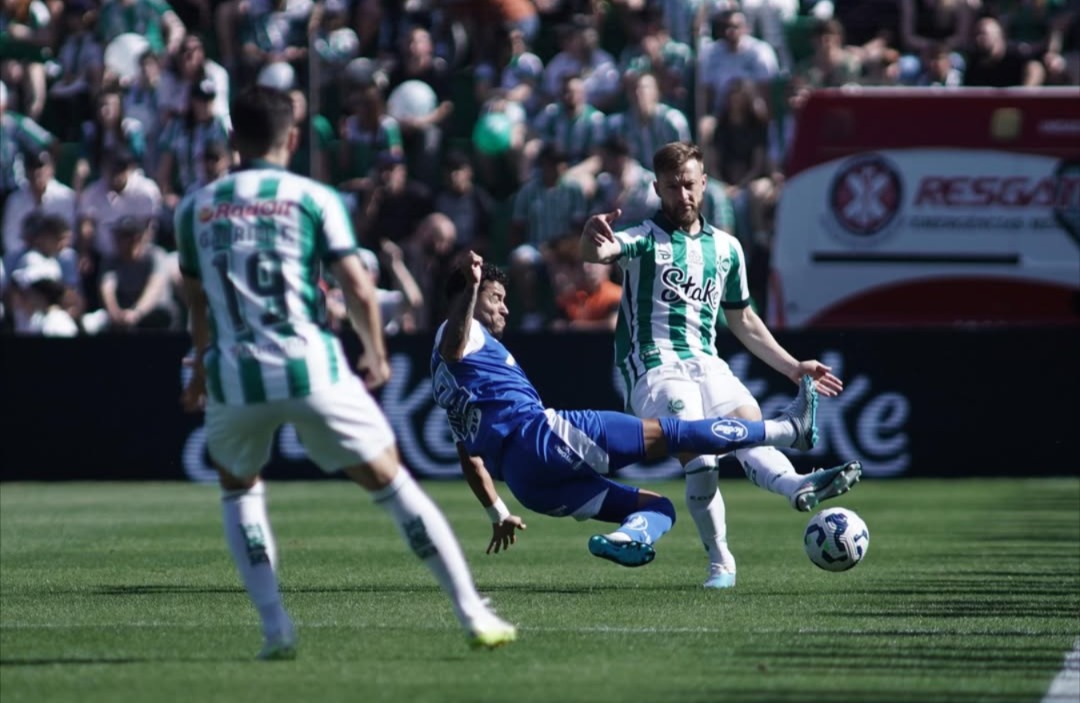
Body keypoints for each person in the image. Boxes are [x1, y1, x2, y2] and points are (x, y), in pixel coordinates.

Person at [175, 86, 516, 659]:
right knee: (393, 484)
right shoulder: (313, 198)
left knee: (240, 492)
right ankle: (472, 613)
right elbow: (357, 284)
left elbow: (197, 302)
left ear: (233, 139)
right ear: (292, 139)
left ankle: (276, 629)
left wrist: (199, 371)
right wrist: (376, 351)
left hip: (234, 373)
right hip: (309, 365)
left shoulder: (195, 208)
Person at [580, 141, 862, 589]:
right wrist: (591, 237)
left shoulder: (727, 248)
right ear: (657, 189)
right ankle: (721, 560)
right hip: (655, 365)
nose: (683, 195)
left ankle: (797, 486)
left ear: (704, 183)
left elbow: (743, 319)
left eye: (689, 184)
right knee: (701, 457)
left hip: (707, 362)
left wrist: (793, 367)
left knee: (747, 428)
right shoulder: (642, 237)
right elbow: (599, 254)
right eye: (672, 186)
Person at [431, 253, 819, 567]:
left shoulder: (445, 379)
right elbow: (454, 344)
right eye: (495, 298)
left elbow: (469, 456)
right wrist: (471, 286)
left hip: (525, 485)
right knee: (679, 433)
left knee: (658, 507)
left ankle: (627, 536)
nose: (505, 309)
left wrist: (498, 513)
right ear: (470, 297)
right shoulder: (464, 334)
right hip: (541, 439)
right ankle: (787, 430)